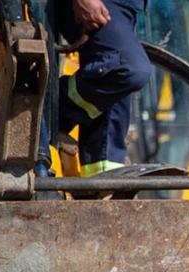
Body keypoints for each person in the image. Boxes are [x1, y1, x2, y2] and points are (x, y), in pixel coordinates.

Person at [57, 0, 153, 176]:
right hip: (99, 5)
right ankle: (52, 114)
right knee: (129, 68)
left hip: (127, 8)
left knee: (108, 78)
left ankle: (102, 184)